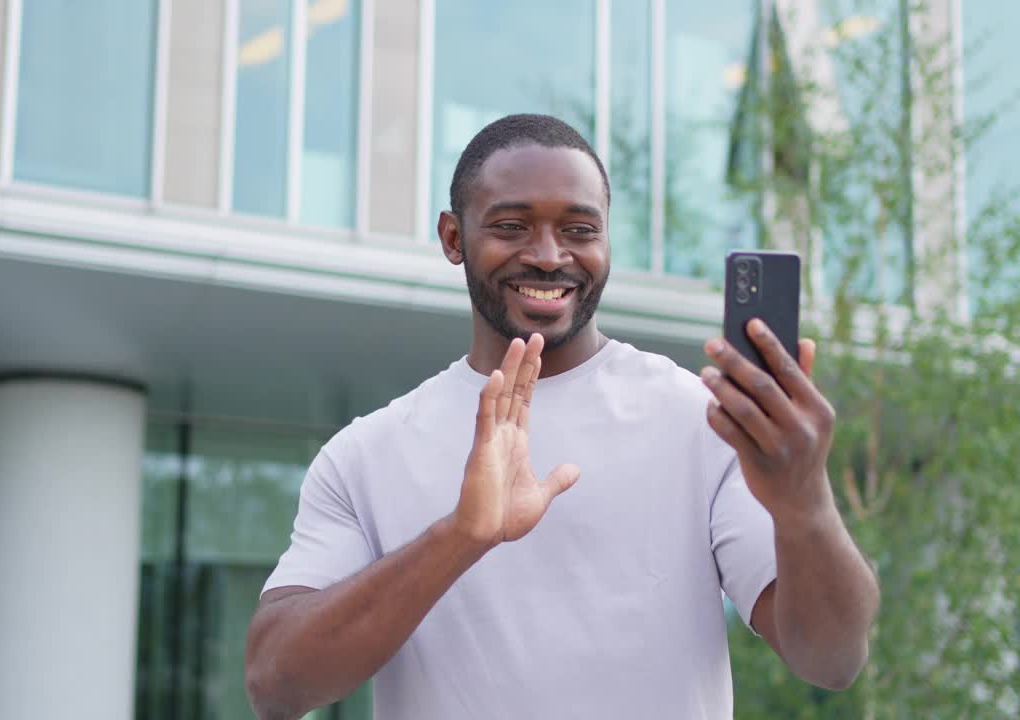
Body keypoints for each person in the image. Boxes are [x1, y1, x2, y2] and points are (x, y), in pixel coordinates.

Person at [244, 113, 879, 719]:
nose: (549, 255)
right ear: (452, 237)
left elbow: (830, 658)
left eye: (579, 229)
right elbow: (275, 685)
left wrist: (805, 505)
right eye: (512, 225)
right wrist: (460, 536)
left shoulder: (701, 421)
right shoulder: (366, 454)